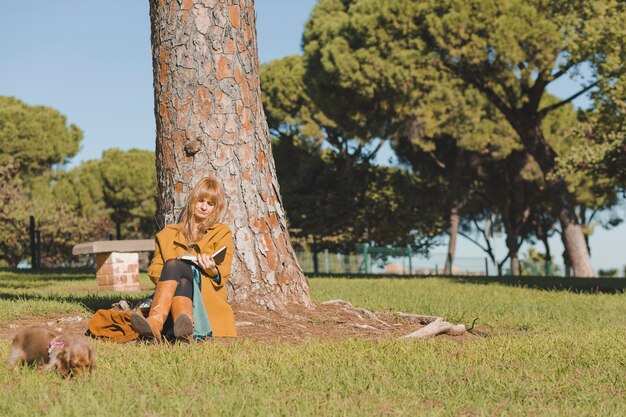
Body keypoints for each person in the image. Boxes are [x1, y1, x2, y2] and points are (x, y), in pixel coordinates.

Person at [130, 176, 237, 341]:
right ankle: (183, 328)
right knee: (176, 270)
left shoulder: (222, 232)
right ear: (192, 200)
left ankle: (155, 322)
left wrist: (211, 269)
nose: (203, 207)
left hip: (205, 293)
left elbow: (224, 272)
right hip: (174, 293)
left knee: (175, 265)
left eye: (210, 204)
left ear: (216, 208)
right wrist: (172, 276)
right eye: (201, 200)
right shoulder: (167, 233)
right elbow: (154, 269)